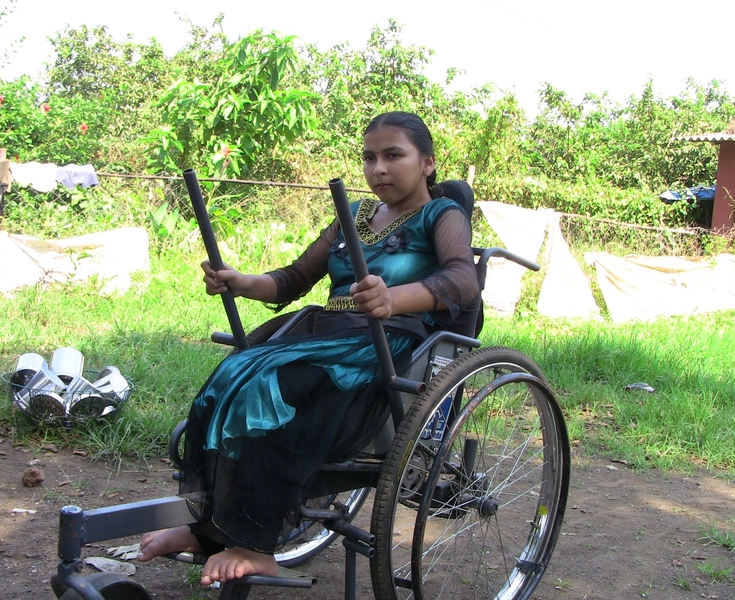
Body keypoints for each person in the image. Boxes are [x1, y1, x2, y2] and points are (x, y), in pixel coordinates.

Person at [136, 111, 480, 585]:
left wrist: (392, 297)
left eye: (393, 155)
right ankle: (206, 529)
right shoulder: (351, 216)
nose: (378, 168)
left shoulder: (442, 215)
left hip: (384, 342)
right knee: (232, 379)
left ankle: (255, 545)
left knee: (276, 389)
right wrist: (240, 281)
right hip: (323, 332)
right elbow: (293, 280)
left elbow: (463, 279)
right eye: (369, 157)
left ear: (427, 163)